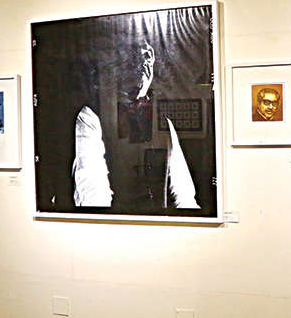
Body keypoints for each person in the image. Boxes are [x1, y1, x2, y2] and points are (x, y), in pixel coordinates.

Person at [72, 40, 199, 209]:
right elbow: (92, 196)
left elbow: (183, 194)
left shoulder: (163, 124)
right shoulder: (91, 117)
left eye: (147, 57)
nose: (141, 65)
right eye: (133, 57)